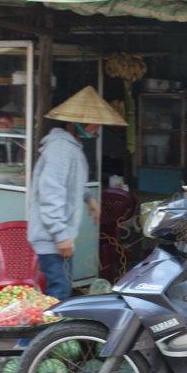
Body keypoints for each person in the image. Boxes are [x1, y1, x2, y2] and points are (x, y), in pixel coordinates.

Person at [27, 87, 127, 300]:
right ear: (75, 123)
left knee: (60, 289)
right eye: (93, 124)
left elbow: (71, 183)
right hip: (51, 237)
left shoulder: (70, 146)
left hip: (56, 236)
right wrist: (61, 235)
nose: (96, 129)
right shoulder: (61, 149)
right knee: (59, 292)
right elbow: (50, 193)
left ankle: (50, 333)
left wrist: (89, 198)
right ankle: (45, 334)